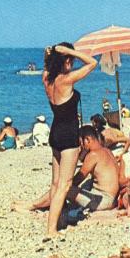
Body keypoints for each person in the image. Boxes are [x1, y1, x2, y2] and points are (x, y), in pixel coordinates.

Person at [34, 42, 98, 238]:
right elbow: (93, 63)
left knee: (55, 183)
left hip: (55, 132)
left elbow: (48, 67)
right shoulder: (67, 80)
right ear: (66, 60)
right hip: (68, 134)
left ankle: (58, 220)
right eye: (70, 60)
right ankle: (51, 229)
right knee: (65, 184)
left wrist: (50, 56)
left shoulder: (47, 78)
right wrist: (70, 51)